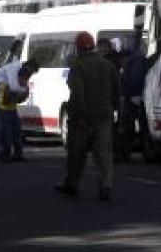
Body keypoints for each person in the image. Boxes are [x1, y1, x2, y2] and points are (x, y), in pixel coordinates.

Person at [55, 32, 121, 201]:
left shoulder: (78, 65)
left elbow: (77, 93)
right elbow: (117, 91)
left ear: (78, 48)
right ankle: (106, 186)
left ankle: (72, 184)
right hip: (104, 116)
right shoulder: (108, 65)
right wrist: (113, 109)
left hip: (83, 118)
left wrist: (77, 115)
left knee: (77, 154)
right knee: (104, 154)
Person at [0, 55, 39, 162]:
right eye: (29, 73)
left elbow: (19, 94)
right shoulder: (13, 69)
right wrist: (24, 89)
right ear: (25, 67)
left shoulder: (24, 73)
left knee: (15, 124)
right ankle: (0, 153)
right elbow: (14, 88)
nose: (29, 76)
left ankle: (17, 153)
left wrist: (24, 90)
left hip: (8, 96)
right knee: (0, 123)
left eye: (31, 74)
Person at [118, 33, 149, 162]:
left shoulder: (135, 59)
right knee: (138, 125)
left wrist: (128, 95)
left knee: (129, 126)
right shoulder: (136, 58)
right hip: (136, 96)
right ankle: (141, 150)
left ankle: (127, 152)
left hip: (133, 97)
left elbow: (133, 79)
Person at [0, 64, 34, 161]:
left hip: (12, 110)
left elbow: (20, 99)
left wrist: (23, 93)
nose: (24, 81)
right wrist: (19, 93)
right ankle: (5, 154)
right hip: (4, 109)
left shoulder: (19, 83)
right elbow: (7, 98)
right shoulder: (6, 83)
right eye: (23, 78)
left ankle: (18, 154)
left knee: (17, 132)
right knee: (7, 133)